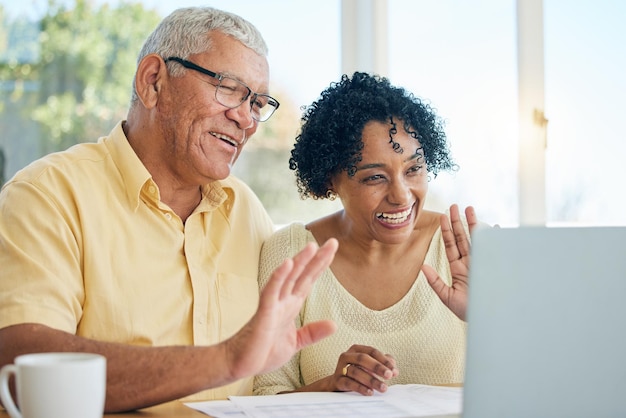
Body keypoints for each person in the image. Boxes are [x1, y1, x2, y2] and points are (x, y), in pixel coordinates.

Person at [0, 7, 339, 413]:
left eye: (258, 102)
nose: (246, 119)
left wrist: (320, 393)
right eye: (229, 88)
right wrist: (226, 359)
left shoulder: (246, 209)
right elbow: (22, 365)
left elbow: (256, 376)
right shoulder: (47, 195)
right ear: (153, 81)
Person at [254, 72, 489, 397]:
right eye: (375, 177)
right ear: (330, 180)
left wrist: (488, 318)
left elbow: (531, 383)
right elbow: (266, 395)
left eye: (413, 170)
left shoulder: (470, 250)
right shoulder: (291, 253)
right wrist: (331, 387)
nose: (402, 196)